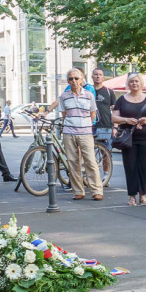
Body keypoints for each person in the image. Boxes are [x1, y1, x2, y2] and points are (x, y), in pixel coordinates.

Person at [49, 68, 104, 201]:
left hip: (85, 132)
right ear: (68, 81)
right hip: (69, 132)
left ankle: (96, 190)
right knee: (73, 162)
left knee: (90, 161)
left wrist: (86, 125)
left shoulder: (89, 95)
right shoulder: (64, 96)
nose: (74, 81)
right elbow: (64, 114)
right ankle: (78, 191)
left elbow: (93, 113)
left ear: (82, 78)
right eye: (70, 79)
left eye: (76, 78)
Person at [113, 72, 146, 205]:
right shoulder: (122, 100)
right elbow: (114, 117)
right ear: (128, 84)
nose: (134, 83)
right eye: (132, 81)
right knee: (130, 166)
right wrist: (126, 120)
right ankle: (132, 196)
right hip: (128, 138)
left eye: (136, 81)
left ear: (141, 83)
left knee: (145, 166)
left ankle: (143, 195)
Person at [91, 67, 116, 154]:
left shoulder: (109, 92)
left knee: (106, 154)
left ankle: (106, 168)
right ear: (92, 76)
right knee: (88, 154)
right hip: (89, 127)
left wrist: (115, 127)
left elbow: (115, 110)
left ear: (103, 77)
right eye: (96, 74)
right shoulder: (86, 91)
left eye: (100, 74)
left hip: (105, 127)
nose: (98, 76)